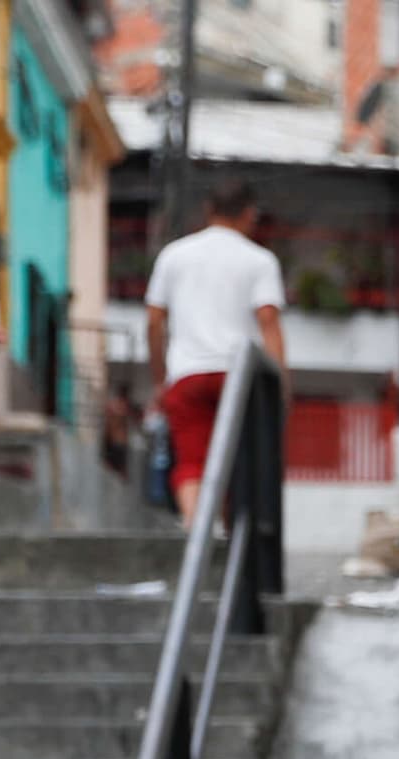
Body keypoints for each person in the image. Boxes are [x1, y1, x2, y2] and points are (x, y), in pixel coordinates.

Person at [141, 178, 285, 521]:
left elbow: (153, 322)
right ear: (250, 215)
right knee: (239, 464)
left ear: (208, 210)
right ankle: (229, 542)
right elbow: (269, 325)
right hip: (239, 376)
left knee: (192, 463)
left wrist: (160, 380)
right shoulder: (260, 261)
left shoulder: (174, 255)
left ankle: (198, 536)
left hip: (187, 374)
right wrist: (281, 387)